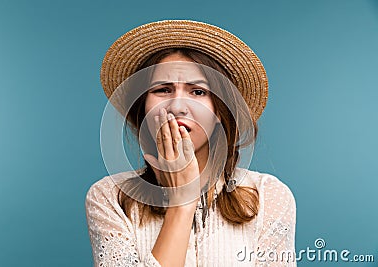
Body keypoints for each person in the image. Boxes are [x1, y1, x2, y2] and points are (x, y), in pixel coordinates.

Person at [85, 20, 296, 267]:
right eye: (162, 90)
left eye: (198, 92)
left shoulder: (268, 196)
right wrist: (182, 202)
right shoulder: (109, 197)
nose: (177, 107)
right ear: (143, 107)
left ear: (219, 111)